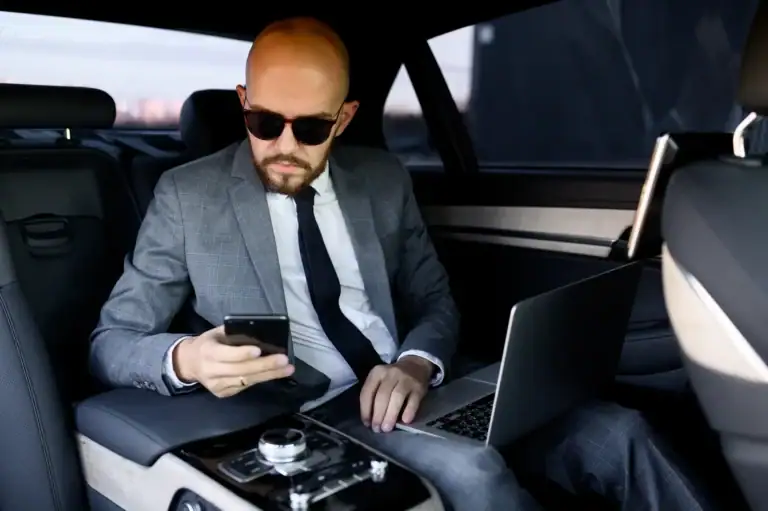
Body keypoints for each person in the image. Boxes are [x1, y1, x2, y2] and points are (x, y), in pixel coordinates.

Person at [91, 17, 711, 510]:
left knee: (623, 433)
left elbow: (434, 299)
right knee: (475, 473)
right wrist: (187, 359)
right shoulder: (187, 194)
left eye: (311, 128)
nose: (284, 146)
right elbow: (112, 340)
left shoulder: (382, 178)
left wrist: (417, 362)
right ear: (242, 102)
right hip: (324, 410)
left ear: (345, 117)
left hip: (427, 383)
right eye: (264, 121)